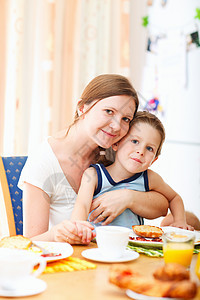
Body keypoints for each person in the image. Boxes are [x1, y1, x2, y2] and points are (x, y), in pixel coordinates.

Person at [19, 74, 168, 244]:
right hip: (73, 263)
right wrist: (55, 235)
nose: (116, 126)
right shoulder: (44, 162)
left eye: (125, 119)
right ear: (82, 107)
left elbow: (163, 206)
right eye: (109, 111)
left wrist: (128, 198)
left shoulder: (116, 151)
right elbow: (29, 244)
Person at [71, 111, 193, 233]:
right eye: (135, 141)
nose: (141, 151)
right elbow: (82, 205)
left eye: (149, 148)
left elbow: (174, 198)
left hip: (133, 246)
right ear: (116, 144)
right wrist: (78, 228)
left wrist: (180, 221)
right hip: (96, 244)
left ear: (154, 160)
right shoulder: (94, 175)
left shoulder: (149, 178)